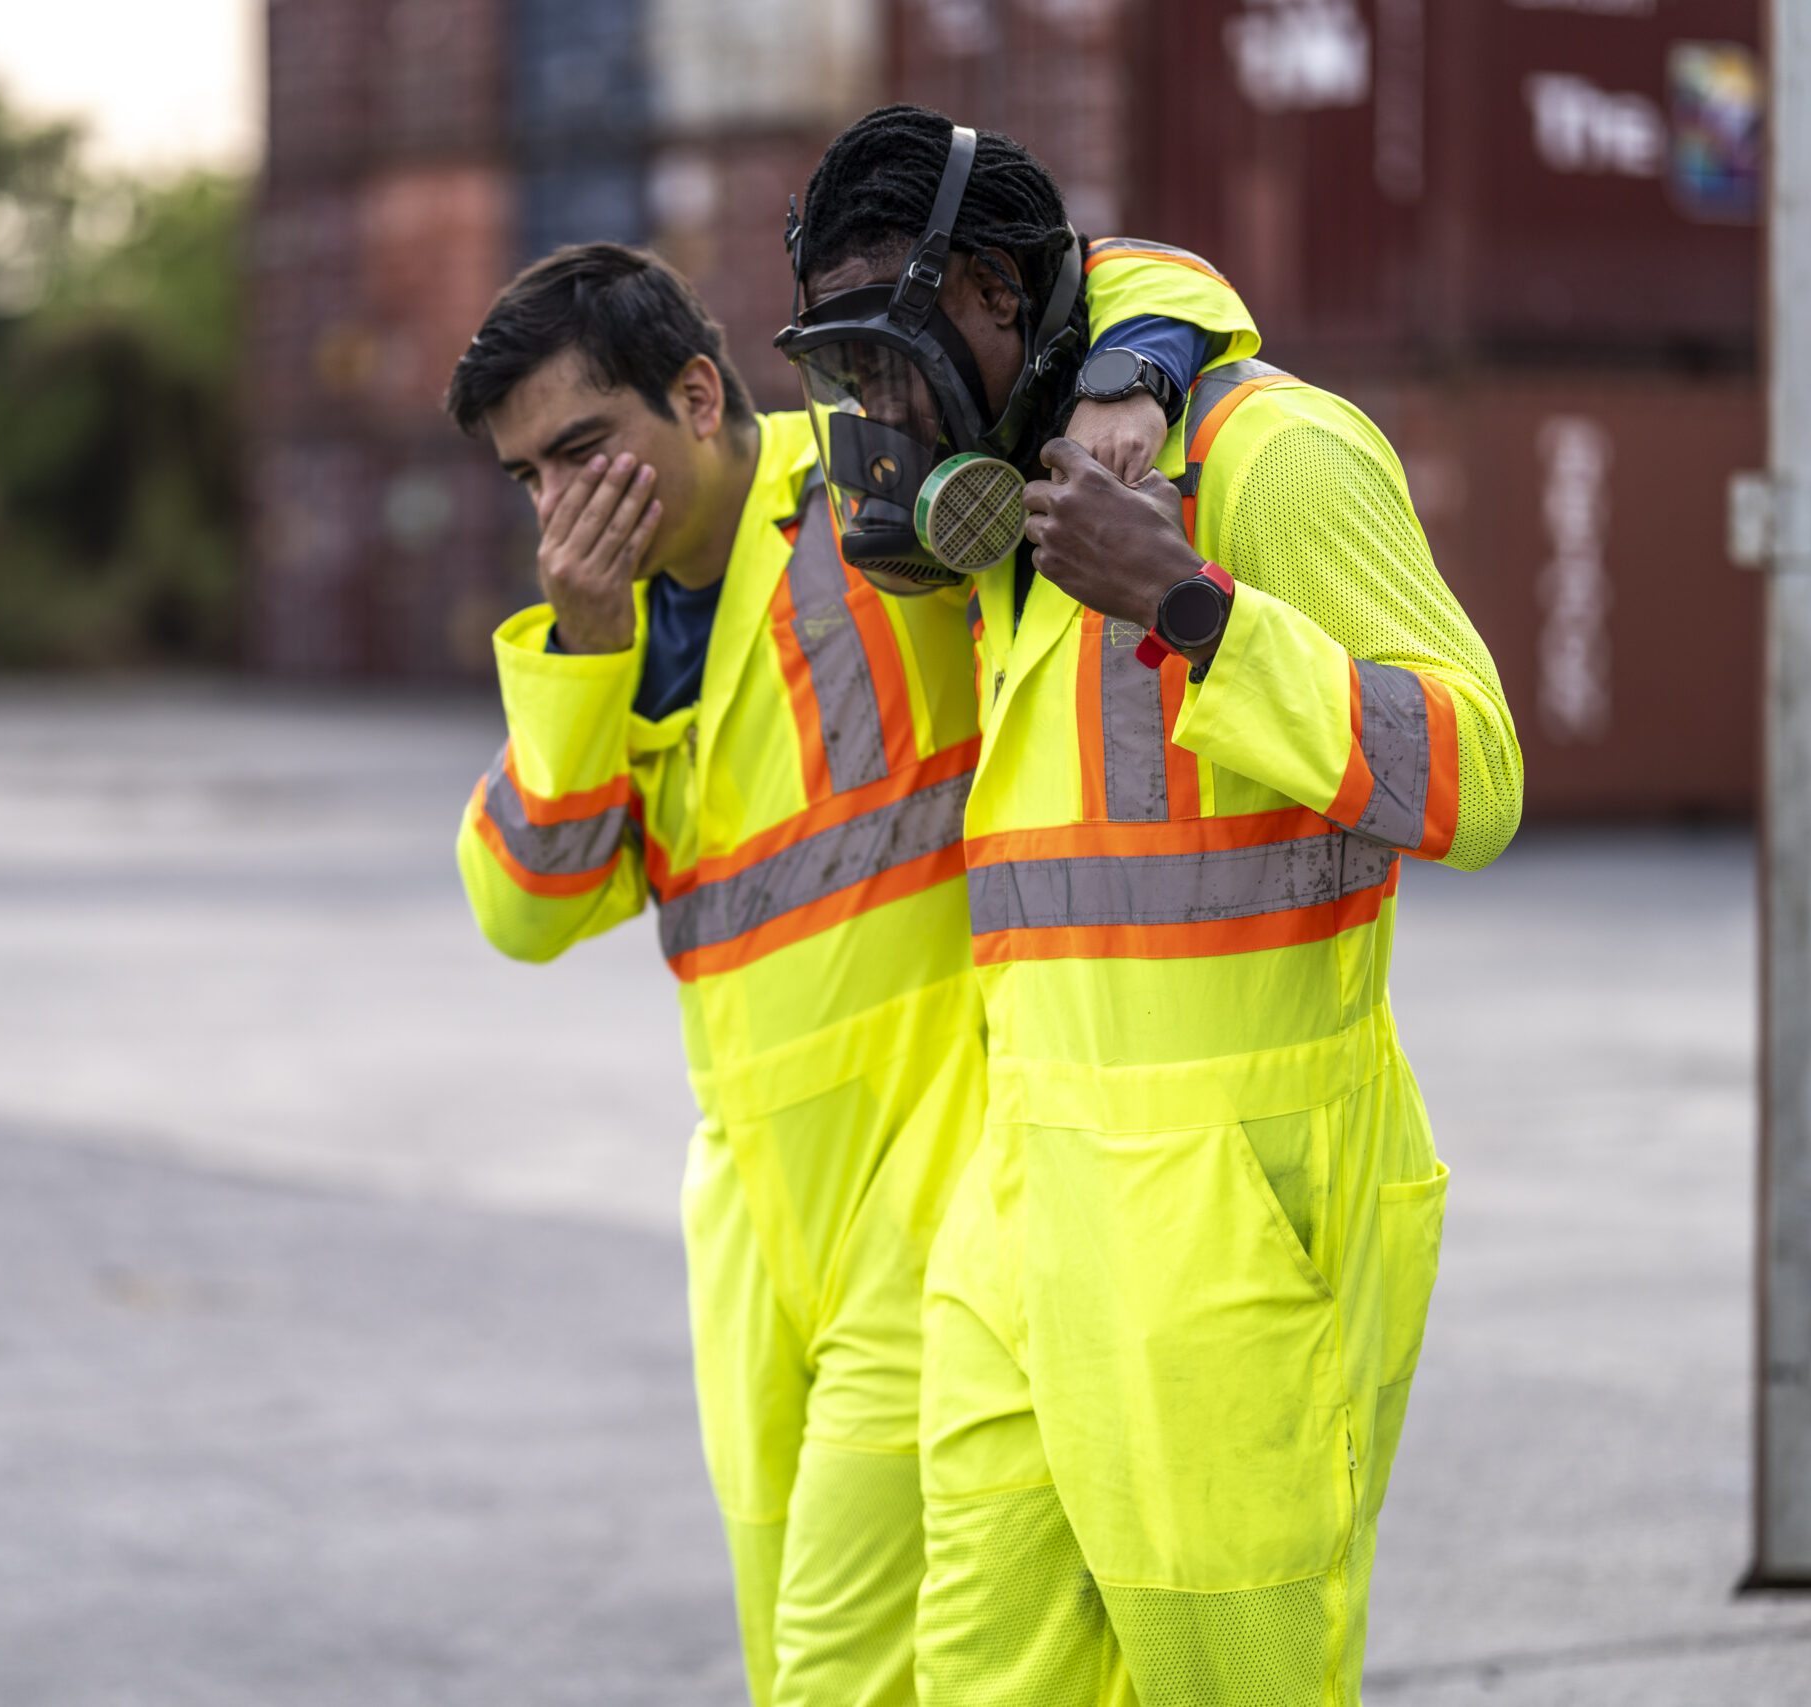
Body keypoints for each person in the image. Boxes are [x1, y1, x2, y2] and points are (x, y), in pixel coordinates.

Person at [448, 221, 1257, 1707]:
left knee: (850, 1666)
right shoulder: (601, 631)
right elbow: (527, 902)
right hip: (761, 1217)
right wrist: (583, 648)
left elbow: (1136, 272)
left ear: (700, 395)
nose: (562, 503)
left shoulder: (879, 477)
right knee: (799, 1658)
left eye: (582, 449)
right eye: (531, 480)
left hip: (934, 1171)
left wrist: (1135, 369)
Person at [780, 106, 1525, 1705]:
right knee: (985, 1679)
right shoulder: (1008, 498)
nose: (879, 415)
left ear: (993, 294)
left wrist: (1194, 608)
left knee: (1232, 1682)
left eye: (892, 360)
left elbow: (1477, 778)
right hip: (1027, 1215)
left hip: (1231, 1223)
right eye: (844, 374)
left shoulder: (1274, 458)